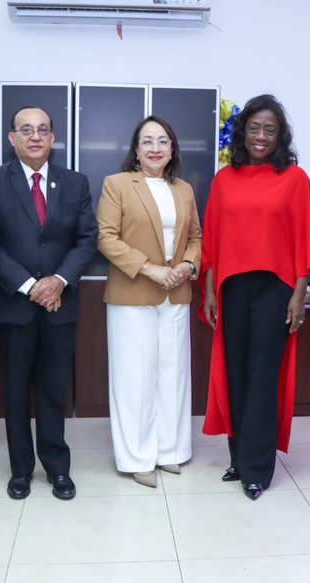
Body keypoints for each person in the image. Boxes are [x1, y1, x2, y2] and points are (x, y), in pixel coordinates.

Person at [201, 94, 310, 501]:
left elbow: (307, 240)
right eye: (254, 127)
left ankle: (257, 467)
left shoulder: (295, 179)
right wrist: (209, 291)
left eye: (270, 130)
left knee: (262, 377)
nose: (261, 136)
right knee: (235, 373)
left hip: (276, 288)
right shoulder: (223, 179)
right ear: (242, 131)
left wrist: (299, 294)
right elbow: (212, 242)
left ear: (280, 136)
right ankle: (238, 456)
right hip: (232, 287)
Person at [0, 106, 97, 501]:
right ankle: (21, 471)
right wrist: (31, 285)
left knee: (53, 389)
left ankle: (57, 468)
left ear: (52, 138)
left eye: (43, 130)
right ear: (12, 138)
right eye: (26, 130)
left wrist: (58, 281)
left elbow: (86, 241)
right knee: (15, 392)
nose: (35, 136)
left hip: (60, 304)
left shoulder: (75, 182)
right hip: (14, 304)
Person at [97, 116, 202, 488]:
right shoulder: (118, 185)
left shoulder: (184, 189)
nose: (155, 147)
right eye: (147, 141)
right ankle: (138, 457)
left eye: (163, 141)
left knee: (172, 374)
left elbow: (196, 236)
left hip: (176, 291)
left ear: (172, 148)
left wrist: (189, 265)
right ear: (136, 151)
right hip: (133, 293)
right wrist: (151, 270)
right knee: (135, 376)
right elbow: (106, 238)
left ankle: (169, 451)